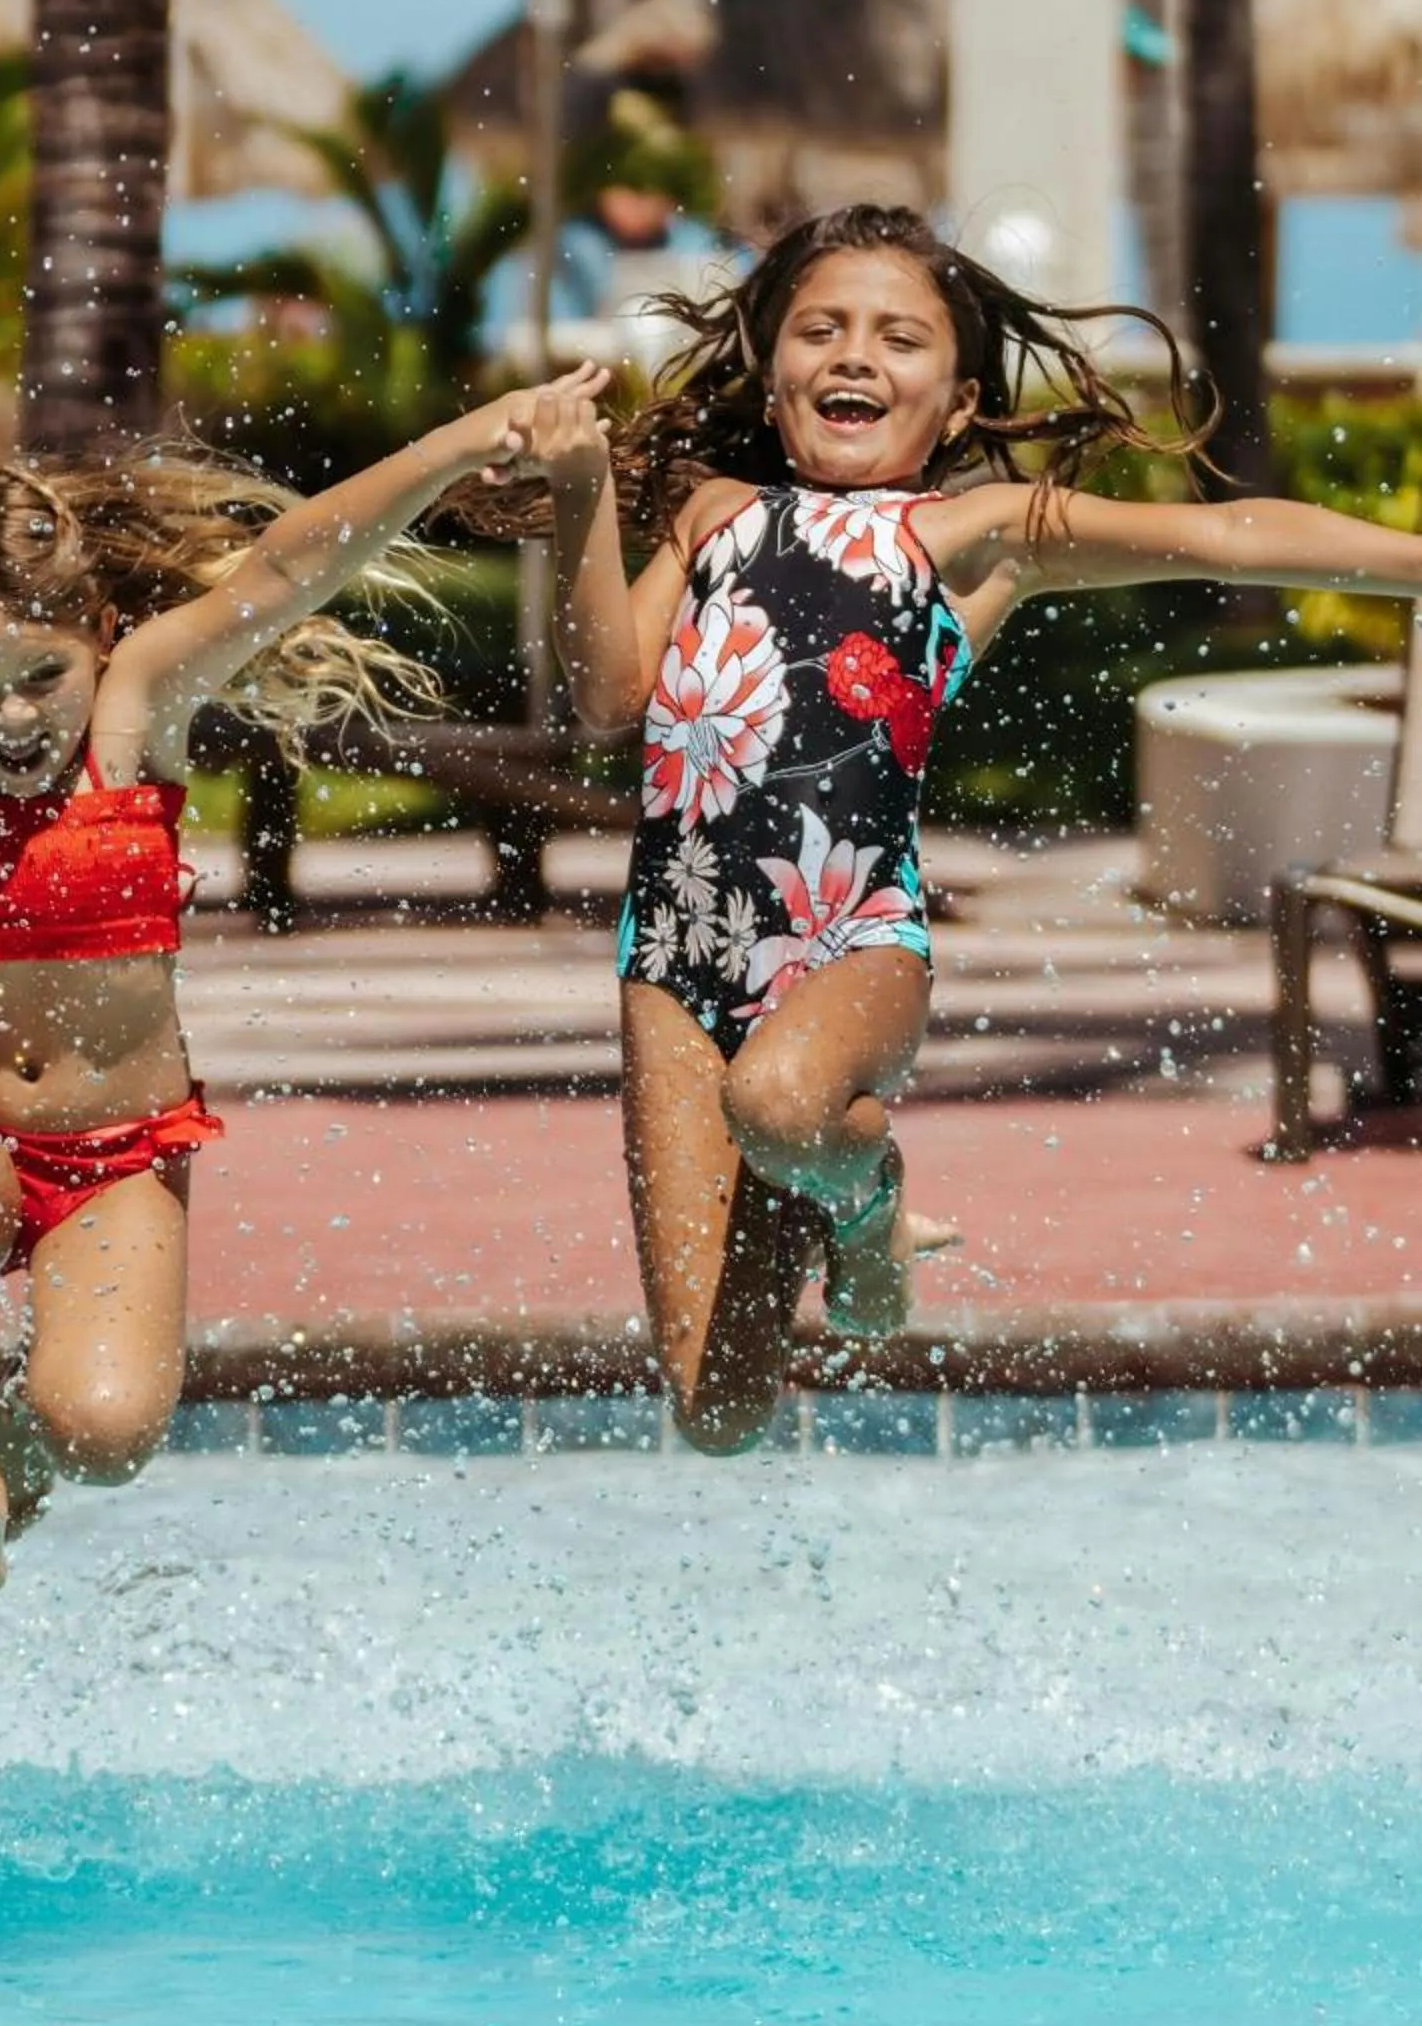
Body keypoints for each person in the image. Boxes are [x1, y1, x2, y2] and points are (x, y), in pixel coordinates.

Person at [0, 146, 602, 1592]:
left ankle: (12, 1485)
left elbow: (288, 565)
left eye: (38, 677)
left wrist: (467, 441)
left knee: (107, 1432)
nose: (10, 718)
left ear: (95, 630)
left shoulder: (134, 712)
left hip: (119, 1158)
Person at [480, 200, 1422, 1450]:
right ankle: (845, 1197)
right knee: (717, 1414)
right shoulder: (711, 519)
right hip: (669, 957)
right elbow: (608, 694)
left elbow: (1222, 534)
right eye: (819, 329)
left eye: (898, 338)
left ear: (960, 401)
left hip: (852, 940)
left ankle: (864, 1196)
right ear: (772, 370)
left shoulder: (969, 535)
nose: (853, 356)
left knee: (780, 1104)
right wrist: (578, 487)